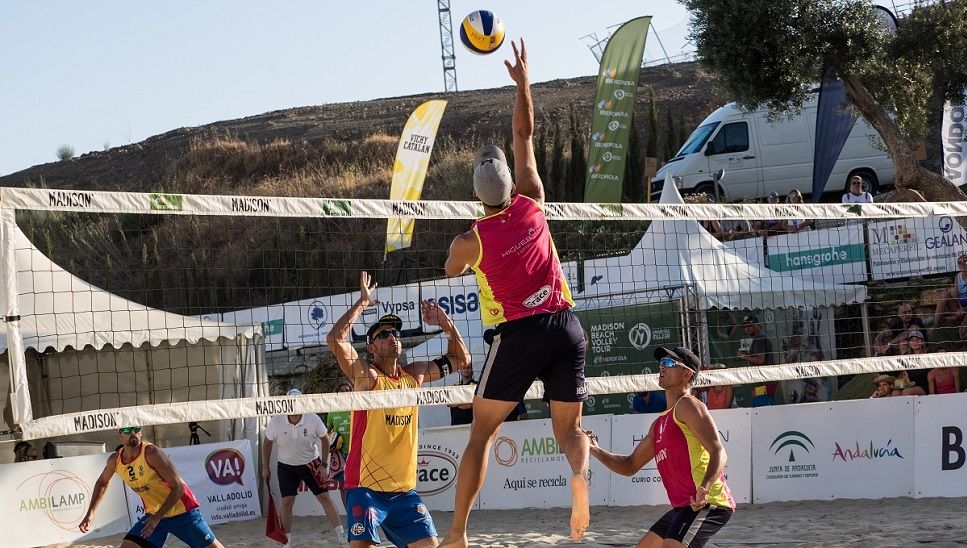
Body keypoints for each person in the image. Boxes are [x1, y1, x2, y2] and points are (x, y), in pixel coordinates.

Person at [440, 39, 591, 547]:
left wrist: (470, 240)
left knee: (481, 434)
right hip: (567, 326)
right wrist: (523, 82)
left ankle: (458, 532)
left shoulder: (470, 240)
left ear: (475, 193)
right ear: (510, 181)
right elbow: (524, 131)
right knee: (569, 432)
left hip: (519, 335)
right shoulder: (533, 199)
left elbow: (449, 272)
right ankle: (579, 474)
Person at [326, 271, 470, 548]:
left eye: (395, 332)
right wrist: (362, 304)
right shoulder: (367, 377)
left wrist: (446, 324)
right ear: (371, 347)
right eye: (383, 334)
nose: (392, 336)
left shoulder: (413, 375)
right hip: (365, 489)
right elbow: (335, 339)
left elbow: (461, 359)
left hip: (404, 493)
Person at [585, 347, 735, 547]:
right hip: (683, 507)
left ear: (687, 374)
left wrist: (705, 488)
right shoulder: (659, 424)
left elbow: (719, 451)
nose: (662, 367)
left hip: (709, 502)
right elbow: (629, 465)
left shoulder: (688, 405)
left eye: (670, 363)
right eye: (662, 363)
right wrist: (594, 449)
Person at [79, 425, 223, 548]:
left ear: (141, 432)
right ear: (120, 434)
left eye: (136, 429)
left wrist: (157, 518)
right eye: (128, 430)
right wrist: (91, 512)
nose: (133, 433)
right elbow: (102, 482)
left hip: (182, 512)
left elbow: (178, 487)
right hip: (154, 515)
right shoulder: (115, 460)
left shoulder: (151, 453)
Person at [262, 388, 344, 546]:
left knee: (325, 497)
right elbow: (267, 444)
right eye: (291, 403)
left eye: (297, 403)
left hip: (310, 463)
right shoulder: (276, 420)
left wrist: (324, 464)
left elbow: (325, 440)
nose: (294, 406)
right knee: (287, 502)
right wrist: (266, 467)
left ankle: (341, 535)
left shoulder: (312, 418)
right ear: (286, 403)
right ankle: (287, 541)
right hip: (286, 466)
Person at [325, 379, 354, 505]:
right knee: (343, 486)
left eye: (347, 391)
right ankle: (348, 512)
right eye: (341, 391)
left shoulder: (356, 408)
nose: (344, 393)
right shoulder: (332, 412)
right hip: (340, 454)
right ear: (337, 393)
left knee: (357, 486)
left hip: (355, 452)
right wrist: (331, 443)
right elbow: (328, 433)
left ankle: (357, 511)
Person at [737, 315, 775, 406]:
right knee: (761, 410)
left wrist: (743, 356)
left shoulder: (759, 339)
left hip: (763, 383)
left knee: (763, 412)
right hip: (764, 382)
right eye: (744, 327)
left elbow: (760, 360)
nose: (746, 329)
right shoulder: (759, 339)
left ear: (757, 325)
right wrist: (748, 355)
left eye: (749, 326)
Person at [933, 253, 967, 340]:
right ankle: (935, 326)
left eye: (965, 261)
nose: (963, 264)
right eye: (960, 262)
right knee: (944, 294)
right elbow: (956, 295)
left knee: (962, 332)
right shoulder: (957, 277)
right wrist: (959, 307)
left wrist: (963, 310)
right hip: (960, 307)